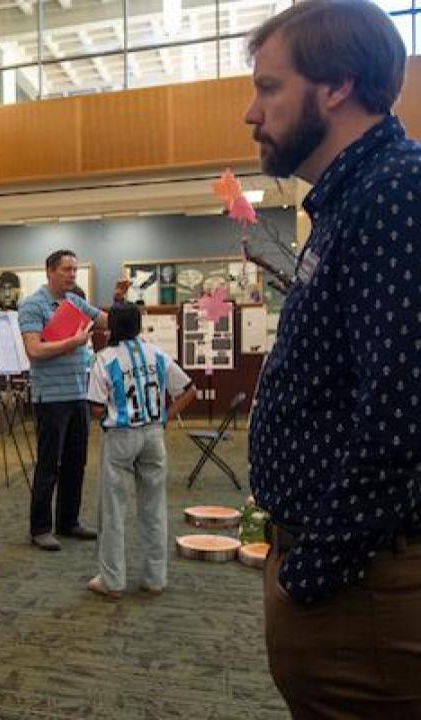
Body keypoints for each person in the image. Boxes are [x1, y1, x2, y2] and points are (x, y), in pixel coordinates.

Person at [244, 1, 421, 714]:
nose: (251, 113)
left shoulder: (396, 193)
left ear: (337, 86)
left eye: (268, 87)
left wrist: (314, 570)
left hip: (365, 587)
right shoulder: (350, 201)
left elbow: (404, 412)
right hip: (348, 574)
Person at [85, 303, 195, 599]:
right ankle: (154, 578)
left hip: (120, 437)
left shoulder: (103, 359)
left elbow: (96, 408)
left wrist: (113, 409)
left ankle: (112, 580)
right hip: (153, 435)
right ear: (138, 325)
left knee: (113, 509)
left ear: (111, 328)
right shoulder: (156, 354)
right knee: (154, 507)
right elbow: (189, 390)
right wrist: (164, 417)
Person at [18, 250, 105, 550]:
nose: (72, 274)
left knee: (75, 463)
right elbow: (35, 351)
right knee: (48, 465)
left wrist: (122, 310)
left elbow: (104, 320)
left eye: (75, 270)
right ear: (50, 271)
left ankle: (68, 522)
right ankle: (40, 528)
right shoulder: (32, 306)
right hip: (51, 398)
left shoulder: (75, 302)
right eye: (67, 269)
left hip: (79, 394)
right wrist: (73, 342)